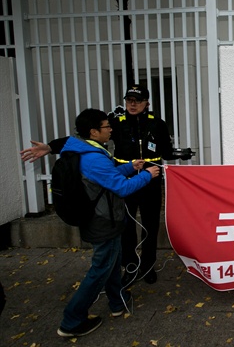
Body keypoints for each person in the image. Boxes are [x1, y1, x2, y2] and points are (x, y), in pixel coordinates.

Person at [20, 85, 191, 286]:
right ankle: (130, 265)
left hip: (151, 179)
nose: (132, 104)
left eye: (137, 100)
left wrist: (181, 155)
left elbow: (166, 151)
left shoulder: (158, 124)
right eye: (129, 100)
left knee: (150, 225)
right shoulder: (115, 122)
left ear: (147, 103)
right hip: (122, 177)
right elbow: (81, 139)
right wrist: (50, 147)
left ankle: (147, 266)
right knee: (125, 225)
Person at [55, 108, 160, 337]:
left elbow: (108, 174)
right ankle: (71, 320)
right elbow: (121, 187)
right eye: (106, 126)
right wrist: (146, 175)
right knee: (100, 269)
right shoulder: (93, 158)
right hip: (103, 221)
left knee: (112, 263)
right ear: (94, 131)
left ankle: (117, 301)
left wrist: (130, 166)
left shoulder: (87, 151)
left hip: (101, 218)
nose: (111, 129)